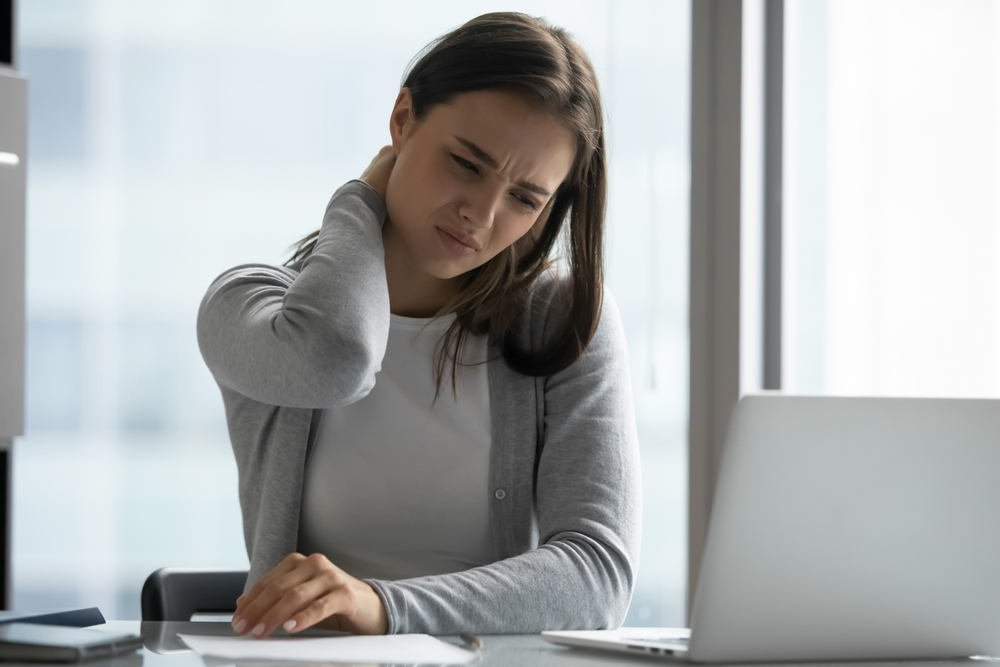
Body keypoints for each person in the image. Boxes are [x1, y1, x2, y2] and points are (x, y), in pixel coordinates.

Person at [196, 11, 641, 638]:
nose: (480, 215)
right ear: (402, 119)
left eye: (524, 198)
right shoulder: (251, 309)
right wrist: (357, 198)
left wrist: (381, 606)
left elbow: (596, 578)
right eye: (466, 163)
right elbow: (336, 359)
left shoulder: (563, 320)